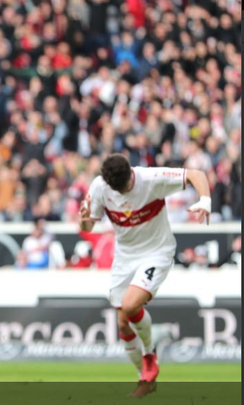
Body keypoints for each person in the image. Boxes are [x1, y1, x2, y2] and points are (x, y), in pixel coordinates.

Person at [79, 154, 210, 397]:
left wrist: (205, 200)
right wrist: (83, 218)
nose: (124, 193)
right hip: (125, 257)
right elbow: (87, 226)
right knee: (122, 323)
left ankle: (150, 353)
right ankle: (145, 379)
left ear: (132, 173)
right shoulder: (100, 187)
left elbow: (196, 174)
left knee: (129, 305)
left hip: (156, 253)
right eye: (118, 190)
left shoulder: (151, 178)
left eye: (127, 186)